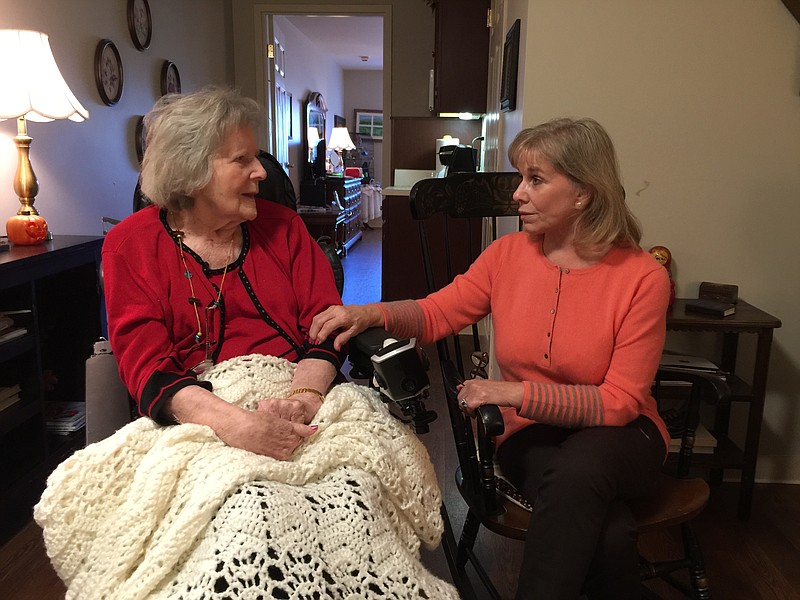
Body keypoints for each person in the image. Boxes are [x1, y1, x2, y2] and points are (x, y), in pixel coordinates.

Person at [310, 117, 671, 599]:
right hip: (532, 435)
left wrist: (514, 393)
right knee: (608, 534)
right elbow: (437, 311)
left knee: (580, 474)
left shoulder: (643, 277)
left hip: (623, 436)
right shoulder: (507, 256)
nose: (518, 193)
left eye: (535, 180)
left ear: (583, 191)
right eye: (521, 178)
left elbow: (621, 403)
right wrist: (368, 311)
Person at [103, 86, 345, 460]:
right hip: (193, 418)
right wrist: (238, 425)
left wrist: (304, 400)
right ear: (192, 170)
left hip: (301, 397)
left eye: (257, 158)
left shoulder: (285, 228)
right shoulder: (130, 245)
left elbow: (328, 325)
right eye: (241, 159)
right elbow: (147, 365)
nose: (261, 171)